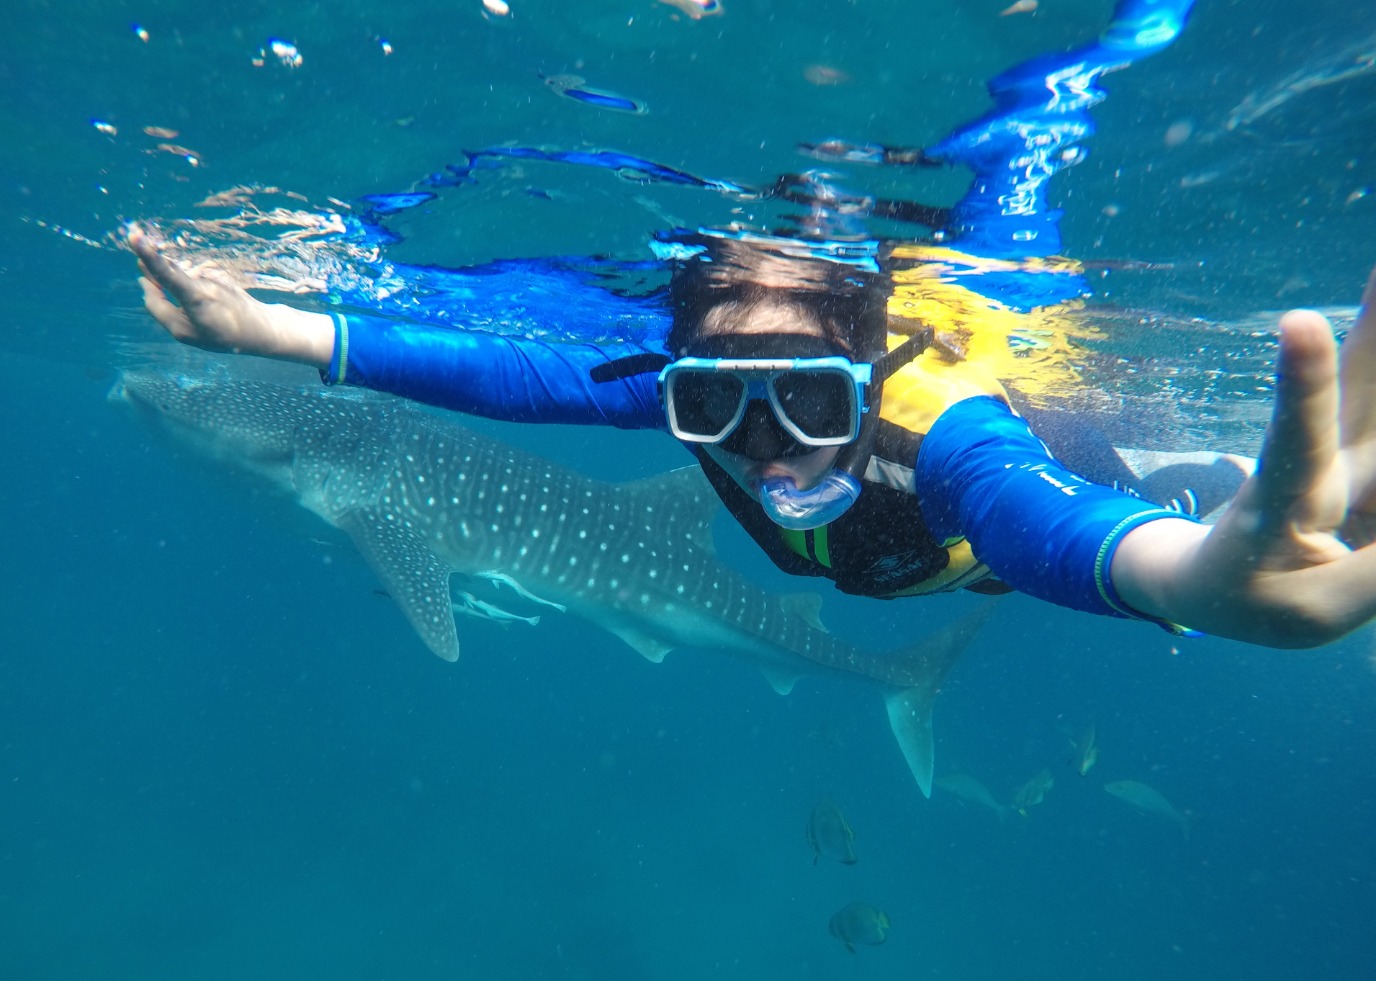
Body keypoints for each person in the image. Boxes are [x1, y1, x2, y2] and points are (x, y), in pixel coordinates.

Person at [123, 0, 1376, 650]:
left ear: (870, 371)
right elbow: (506, 374)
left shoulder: (951, 441)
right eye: (714, 404)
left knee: (1222, 500)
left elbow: (1043, 527)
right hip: (878, 575)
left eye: (814, 402)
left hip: (1067, 485)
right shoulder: (702, 390)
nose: (766, 446)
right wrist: (269, 330)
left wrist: (1193, 582)